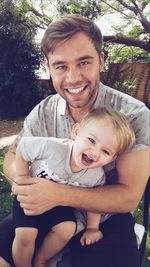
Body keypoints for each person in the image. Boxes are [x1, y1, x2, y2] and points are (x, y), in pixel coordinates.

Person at [0, 14, 149, 267]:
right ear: (49, 68)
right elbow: (14, 157)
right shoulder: (42, 112)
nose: (73, 78)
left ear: (101, 61)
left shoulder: (134, 115)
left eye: (83, 62)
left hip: (102, 220)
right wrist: (27, 187)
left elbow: (127, 197)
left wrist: (57, 193)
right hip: (44, 213)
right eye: (61, 66)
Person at [12, 107, 135, 267]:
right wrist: (21, 177)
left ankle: (40, 260)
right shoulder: (53, 148)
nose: (94, 152)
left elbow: (94, 202)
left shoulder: (95, 176)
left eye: (105, 151)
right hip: (31, 198)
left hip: (57, 205)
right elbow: (22, 147)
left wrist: (92, 228)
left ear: (113, 158)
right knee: (26, 235)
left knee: (67, 229)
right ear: (76, 131)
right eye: (91, 140)